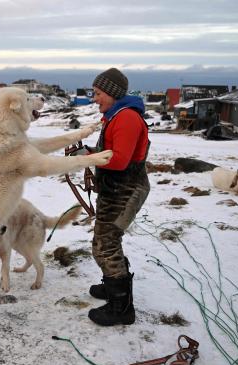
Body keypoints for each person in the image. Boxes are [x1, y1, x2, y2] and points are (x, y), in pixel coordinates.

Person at [86, 68, 150, 326]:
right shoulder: (115, 115)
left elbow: (120, 160)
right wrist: (90, 151)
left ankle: (121, 307)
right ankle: (114, 285)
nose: (95, 98)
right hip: (114, 189)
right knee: (106, 241)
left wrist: (86, 157)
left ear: (112, 93)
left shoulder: (126, 119)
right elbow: (110, 152)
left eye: (98, 93)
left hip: (125, 190)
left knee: (106, 244)